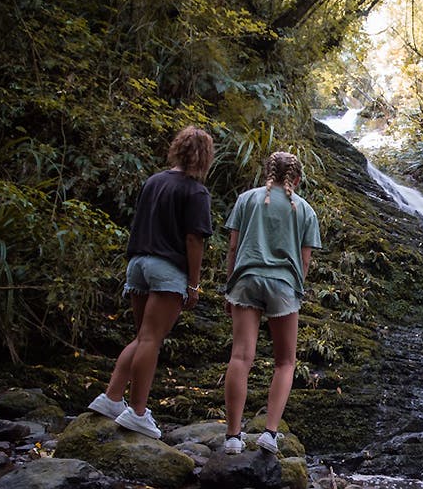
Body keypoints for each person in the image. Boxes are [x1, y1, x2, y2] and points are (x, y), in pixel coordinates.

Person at [87, 125, 214, 439]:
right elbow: (194, 239)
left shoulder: (153, 181)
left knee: (143, 336)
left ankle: (112, 398)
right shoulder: (195, 191)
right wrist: (194, 284)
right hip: (166, 268)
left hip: (137, 264)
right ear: (205, 156)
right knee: (151, 340)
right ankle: (138, 412)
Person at [221, 151, 321, 454]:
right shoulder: (305, 210)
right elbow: (305, 262)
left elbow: (234, 247)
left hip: (246, 279)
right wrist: (296, 292)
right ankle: (270, 433)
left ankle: (233, 437)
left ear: (267, 174)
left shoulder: (246, 200)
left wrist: (230, 287)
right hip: (284, 286)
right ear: (298, 179)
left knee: (241, 357)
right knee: (285, 362)